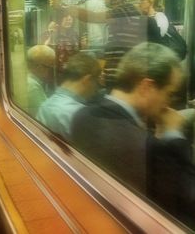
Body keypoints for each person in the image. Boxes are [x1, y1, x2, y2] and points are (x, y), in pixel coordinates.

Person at [70, 42, 194, 221]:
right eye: (169, 93)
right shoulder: (148, 148)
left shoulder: (81, 115)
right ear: (146, 87)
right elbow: (188, 202)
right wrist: (174, 135)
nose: (168, 103)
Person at [50, 0, 161, 89]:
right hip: (120, 78)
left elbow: (93, 17)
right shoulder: (125, 11)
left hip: (123, 81)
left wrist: (62, 6)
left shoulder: (124, 10)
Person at [36, 53, 101, 141]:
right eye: (97, 82)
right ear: (87, 80)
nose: (96, 88)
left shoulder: (45, 105)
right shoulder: (79, 115)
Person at [26, 45, 55, 117]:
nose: (52, 72)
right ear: (39, 67)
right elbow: (44, 116)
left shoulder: (27, 79)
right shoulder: (33, 87)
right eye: (50, 67)